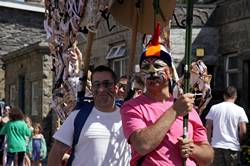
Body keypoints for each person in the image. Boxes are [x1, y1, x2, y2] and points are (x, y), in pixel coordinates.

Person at [120, 28, 214, 166]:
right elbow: (142, 145)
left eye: (157, 65)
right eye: (146, 67)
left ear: (169, 72)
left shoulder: (187, 107)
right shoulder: (132, 107)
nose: (152, 72)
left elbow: (209, 157)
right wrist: (175, 111)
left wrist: (193, 149)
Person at [47, 65, 130, 166]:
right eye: (97, 84)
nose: (101, 89)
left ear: (115, 87)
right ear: (92, 88)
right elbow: (57, 151)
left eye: (107, 84)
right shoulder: (78, 116)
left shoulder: (128, 116)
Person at [205, 86, 248, 166]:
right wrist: (239, 142)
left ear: (224, 96)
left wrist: (208, 142)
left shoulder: (214, 108)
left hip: (216, 146)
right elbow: (243, 131)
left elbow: (208, 126)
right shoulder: (240, 110)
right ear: (235, 96)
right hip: (233, 147)